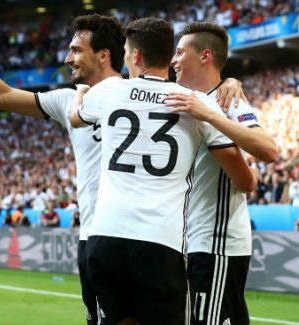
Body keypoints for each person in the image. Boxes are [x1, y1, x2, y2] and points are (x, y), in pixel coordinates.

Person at [70, 17, 255, 324]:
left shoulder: (109, 91)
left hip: (105, 237)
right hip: (159, 242)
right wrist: (231, 83)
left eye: (128, 52)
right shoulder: (193, 103)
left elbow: (76, 117)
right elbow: (243, 175)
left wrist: (81, 90)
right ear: (167, 56)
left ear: (136, 56)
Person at [0, 12, 123, 324]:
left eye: (77, 50)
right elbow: (2, 96)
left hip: (138, 236)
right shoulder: (68, 100)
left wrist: (228, 82)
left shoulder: (142, 95)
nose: (68, 58)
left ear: (104, 55)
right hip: (96, 237)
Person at [168, 21, 278, 325]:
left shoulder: (229, 101)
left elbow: (268, 150)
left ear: (204, 56)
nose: (173, 60)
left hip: (217, 243)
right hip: (194, 241)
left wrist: (210, 115)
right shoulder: (184, 98)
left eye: (179, 52)